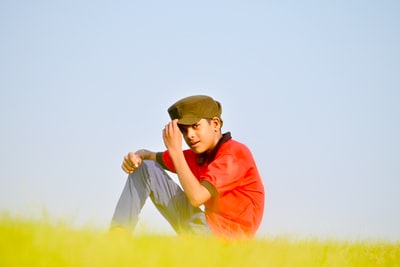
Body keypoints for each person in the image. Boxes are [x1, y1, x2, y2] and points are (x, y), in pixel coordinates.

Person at [110, 95, 265, 239]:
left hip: (224, 242)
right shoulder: (197, 156)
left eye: (196, 126)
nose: (189, 135)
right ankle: (117, 238)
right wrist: (137, 156)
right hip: (203, 227)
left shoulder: (234, 155)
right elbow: (151, 158)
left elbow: (197, 198)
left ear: (215, 124)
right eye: (184, 130)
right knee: (145, 168)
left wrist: (175, 150)